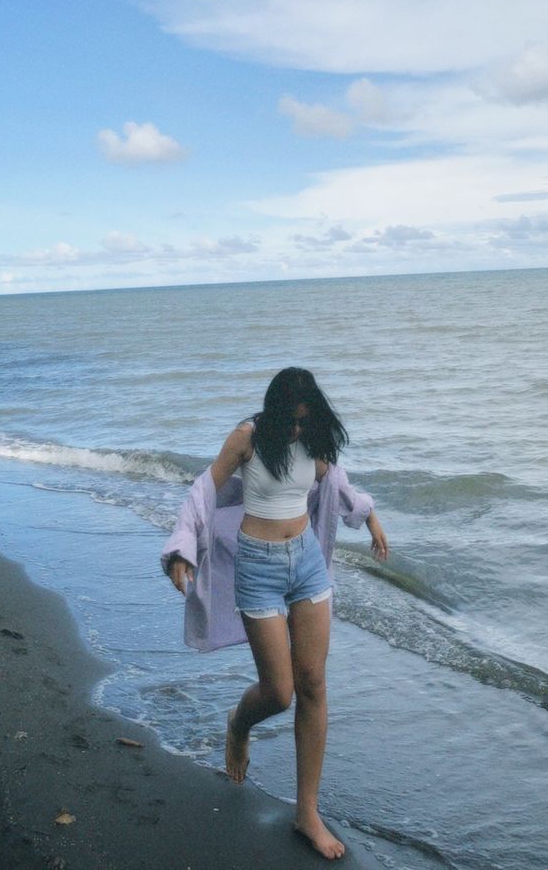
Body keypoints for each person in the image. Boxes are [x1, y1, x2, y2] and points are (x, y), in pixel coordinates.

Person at [165, 367, 388, 861]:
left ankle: (306, 812)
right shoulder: (246, 438)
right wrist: (182, 548)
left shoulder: (313, 440)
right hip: (258, 568)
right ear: (276, 410)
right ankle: (239, 726)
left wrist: (368, 516)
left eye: (306, 422)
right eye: (292, 420)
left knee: (313, 684)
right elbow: (203, 491)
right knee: (280, 692)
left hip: (307, 564)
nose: (297, 431)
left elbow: (338, 482)